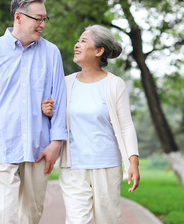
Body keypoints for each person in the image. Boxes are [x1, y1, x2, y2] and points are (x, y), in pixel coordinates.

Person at [0, 0, 67, 224]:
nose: (42, 24)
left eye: (44, 19)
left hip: (38, 147)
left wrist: (56, 142)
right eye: (37, 18)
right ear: (18, 17)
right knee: (5, 217)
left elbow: (59, 100)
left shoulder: (51, 53)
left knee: (30, 216)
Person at [42, 24, 140, 224]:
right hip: (73, 167)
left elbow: (126, 126)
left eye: (83, 41)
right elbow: (58, 121)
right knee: (78, 221)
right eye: (78, 41)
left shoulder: (114, 85)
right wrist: (48, 112)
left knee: (107, 220)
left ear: (99, 51)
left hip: (106, 165)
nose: (77, 45)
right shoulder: (65, 83)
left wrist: (133, 161)